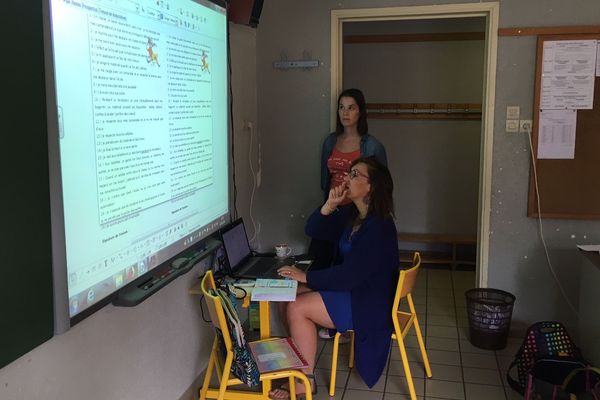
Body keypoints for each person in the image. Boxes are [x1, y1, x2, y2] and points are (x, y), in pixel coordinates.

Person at [270, 157, 399, 399]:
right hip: (353, 290)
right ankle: (299, 366)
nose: (346, 178)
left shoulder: (379, 227)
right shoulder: (352, 215)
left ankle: (303, 382)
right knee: (284, 296)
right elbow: (313, 230)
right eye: (348, 173)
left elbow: (350, 275)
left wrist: (306, 277)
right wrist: (328, 206)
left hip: (366, 302)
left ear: (371, 186)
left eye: (355, 175)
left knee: (297, 307)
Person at [310, 88, 388, 341]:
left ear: (361, 112)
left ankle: (342, 322)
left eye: (351, 107)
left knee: (349, 263)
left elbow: (381, 181)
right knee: (325, 258)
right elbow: (324, 180)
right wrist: (328, 205)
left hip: (356, 210)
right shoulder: (330, 141)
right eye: (341, 107)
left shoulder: (372, 144)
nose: (345, 112)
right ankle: (327, 313)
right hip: (333, 207)